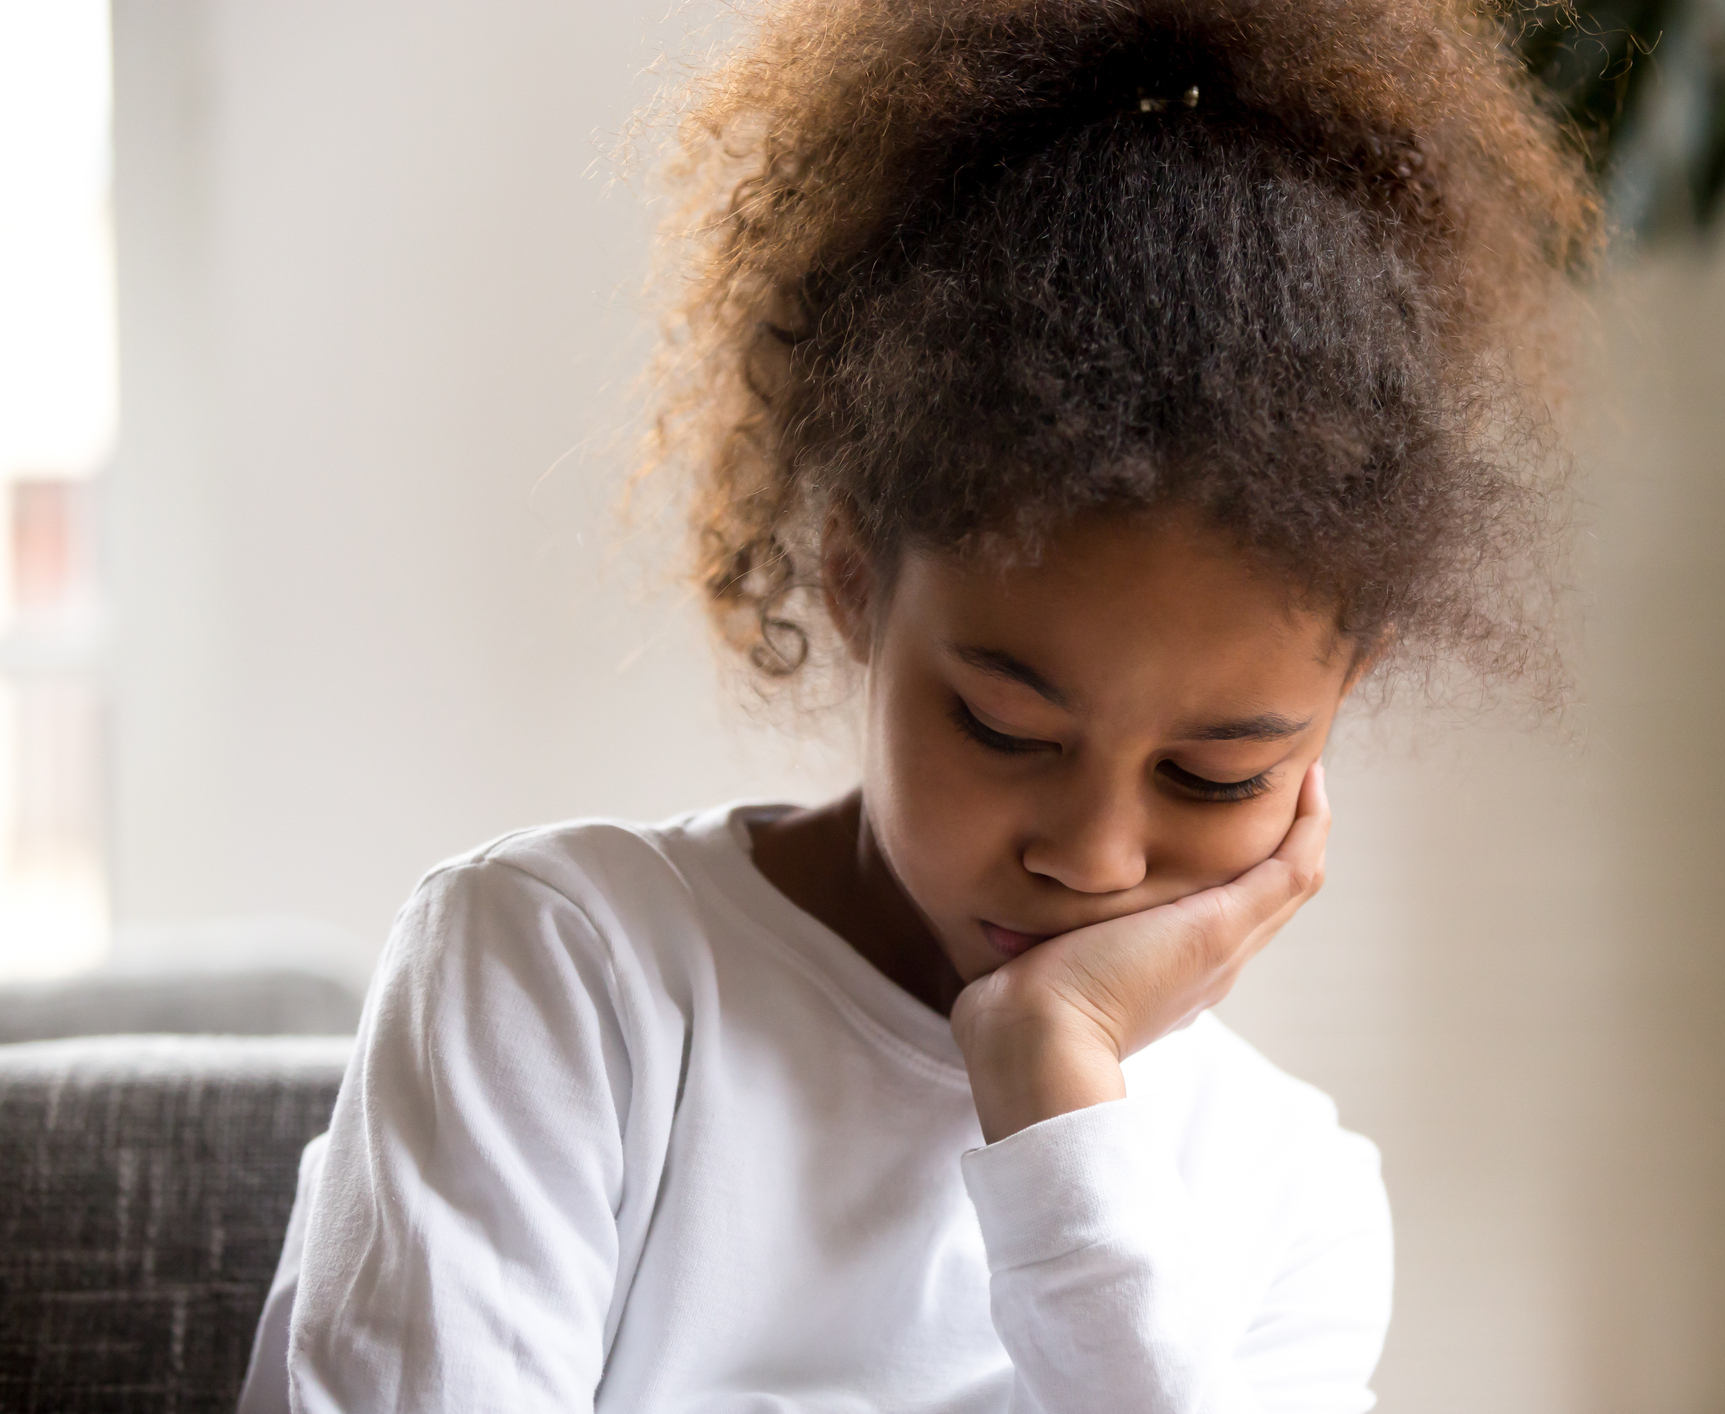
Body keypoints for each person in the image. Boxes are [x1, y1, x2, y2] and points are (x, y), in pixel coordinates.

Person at [237, 0, 1595, 1408]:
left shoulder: (1286, 1194)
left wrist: (1052, 1085)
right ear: (852, 581)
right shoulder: (566, 974)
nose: (1093, 855)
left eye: (1209, 775)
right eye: (1007, 728)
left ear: (1337, 702)